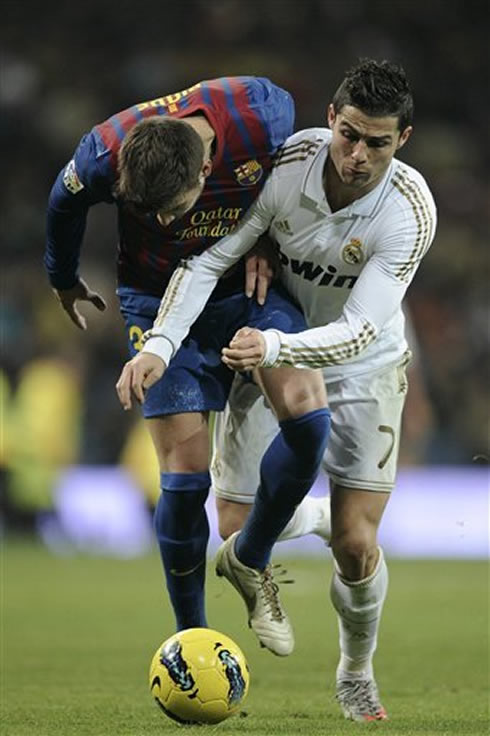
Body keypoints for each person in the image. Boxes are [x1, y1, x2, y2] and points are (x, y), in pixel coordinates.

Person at [117, 59, 437, 722]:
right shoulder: (286, 164)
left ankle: (355, 671)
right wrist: (160, 345)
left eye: (376, 142)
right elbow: (209, 259)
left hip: (363, 363)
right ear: (330, 119)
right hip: (277, 338)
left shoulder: (409, 210)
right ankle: (302, 521)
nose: (356, 154)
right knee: (235, 528)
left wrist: (274, 347)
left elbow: (357, 331)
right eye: (348, 134)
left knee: (355, 544)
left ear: (402, 140)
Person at [45, 76, 332, 649]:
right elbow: (63, 201)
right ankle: (192, 639)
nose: (163, 225)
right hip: (154, 299)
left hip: (241, 286)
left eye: (172, 213)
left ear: (205, 171)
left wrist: (265, 240)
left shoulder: (263, 113)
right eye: (144, 213)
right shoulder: (102, 152)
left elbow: (290, 178)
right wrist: (62, 278)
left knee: (307, 415)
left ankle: (250, 555)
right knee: (183, 470)